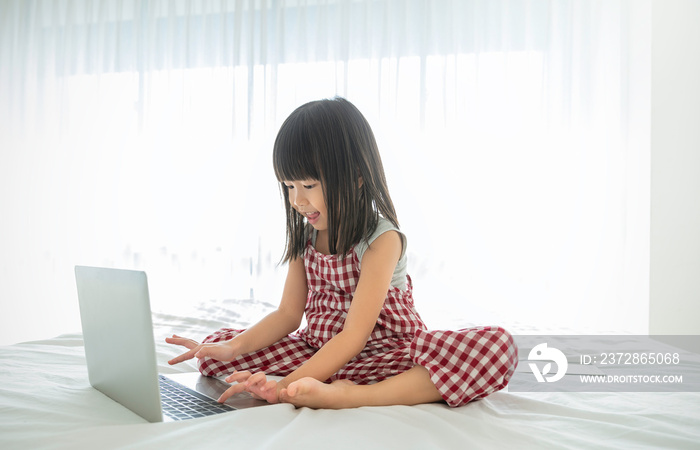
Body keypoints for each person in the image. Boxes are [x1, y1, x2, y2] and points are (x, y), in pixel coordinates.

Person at [167, 97, 518, 409]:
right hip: (317, 349)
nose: (297, 200)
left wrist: (284, 387)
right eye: (289, 186)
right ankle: (320, 379)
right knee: (214, 351)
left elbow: (355, 335)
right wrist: (235, 347)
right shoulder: (306, 239)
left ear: (356, 177)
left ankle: (355, 395)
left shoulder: (381, 240)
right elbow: (289, 314)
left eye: (308, 185)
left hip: (381, 354)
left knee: (499, 348)